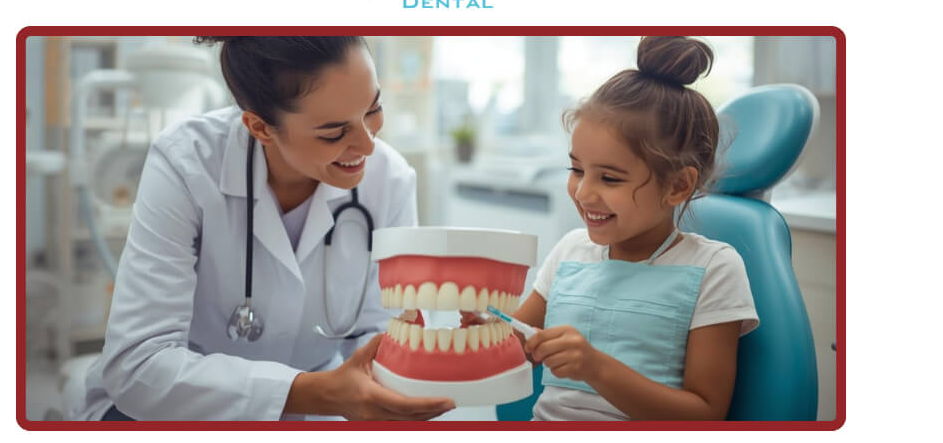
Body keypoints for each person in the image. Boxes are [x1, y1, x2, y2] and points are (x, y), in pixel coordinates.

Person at [71, 36, 455, 421]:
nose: (368, 145)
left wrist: (400, 375)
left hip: (320, 408)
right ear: (260, 127)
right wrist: (312, 393)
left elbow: (385, 332)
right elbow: (140, 366)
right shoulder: (186, 163)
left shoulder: (391, 180)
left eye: (373, 109)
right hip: (171, 408)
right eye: (334, 133)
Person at [517, 36, 760, 420]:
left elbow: (705, 416)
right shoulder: (569, 252)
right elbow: (516, 350)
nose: (582, 192)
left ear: (678, 186)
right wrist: (482, 327)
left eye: (610, 179)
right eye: (577, 170)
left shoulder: (713, 268)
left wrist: (596, 368)